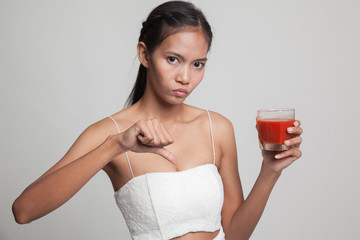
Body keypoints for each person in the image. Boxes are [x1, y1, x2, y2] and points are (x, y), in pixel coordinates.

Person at [12, 1, 303, 240]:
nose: (186, 78)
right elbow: (23, 211)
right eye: (173, 59)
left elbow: (236, 234)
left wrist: (270, 170)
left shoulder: (218, 128)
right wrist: (115, 145)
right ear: (145, 54)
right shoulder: (111, 132)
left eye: (197, 64)